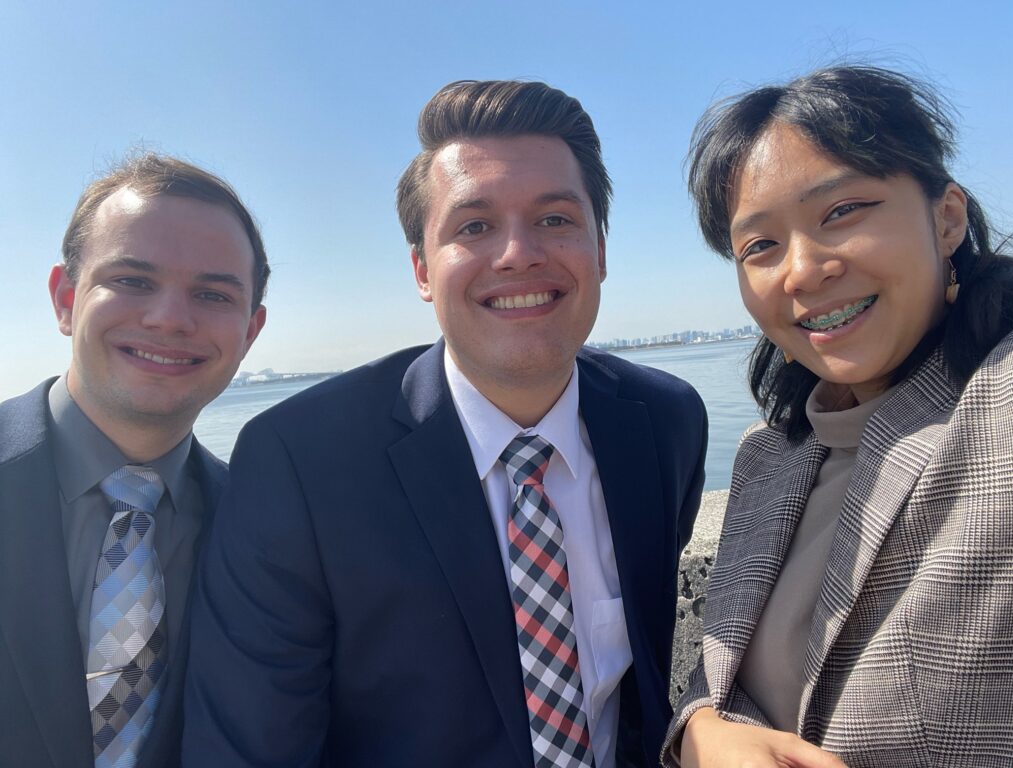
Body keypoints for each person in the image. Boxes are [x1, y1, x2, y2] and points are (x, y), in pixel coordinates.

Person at [183, 79, 708, 768]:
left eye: (555, 219)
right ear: (422, 269)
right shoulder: (303, 462)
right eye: (474, 226)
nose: (518, 253)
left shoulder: (665, 422)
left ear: (601, 250)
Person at [663, 66, 1013, 768]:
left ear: (946, 218)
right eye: (760, 245)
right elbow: (717, 678)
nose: (801, 270)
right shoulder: (771, 454)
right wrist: (704, 731)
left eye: (842, 211)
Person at [0, 153, 268, 768]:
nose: (170, 318)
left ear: (250, 333)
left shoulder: (265, 529)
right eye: (132, 281)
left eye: (212, 293)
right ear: (66, 299)